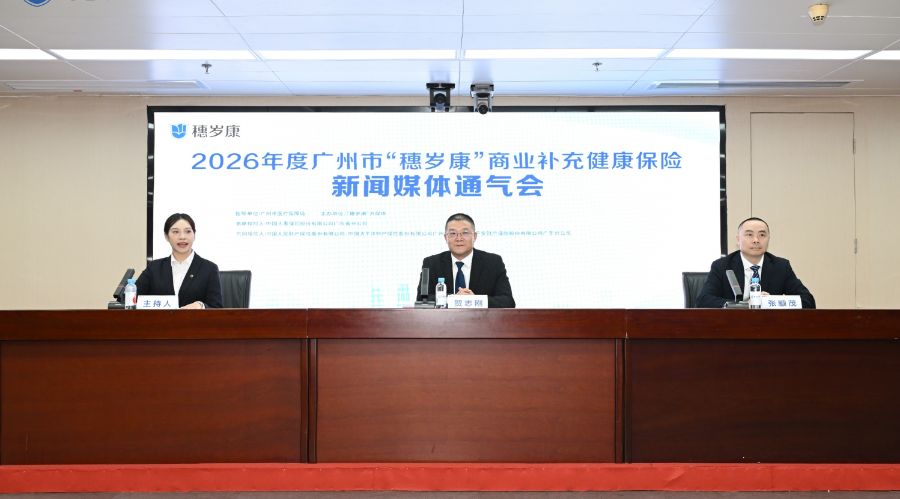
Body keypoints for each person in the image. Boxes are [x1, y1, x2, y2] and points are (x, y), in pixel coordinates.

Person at [697, 217, 815, 308]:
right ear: (738, 239)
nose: (756, 240)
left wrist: (771, 301)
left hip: (769, 326)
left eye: (762, 235)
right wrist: (743, 305)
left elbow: (808, 301)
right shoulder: (722, 266)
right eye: (749, 235)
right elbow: (704, 300)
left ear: (768, 239)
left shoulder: (780, 266)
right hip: (733, 325)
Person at [419, 213, 515, 308]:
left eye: (465, 233)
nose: (459, 238)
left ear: (475, 236)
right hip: (444, 318)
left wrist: (475, 300)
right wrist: (454, 299)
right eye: (453, 233)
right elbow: (422, 299)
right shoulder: (431, 263)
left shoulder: (493, 263)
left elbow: (508, 301)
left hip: (481, 318)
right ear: (445, 238)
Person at [136, 213, 223, 309]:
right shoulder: (154, 268)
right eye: (175, 232)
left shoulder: (209, 269)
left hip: (194, 319)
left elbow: (216, 307)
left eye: (188, 231)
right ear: (166, 236)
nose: (182, 237)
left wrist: (201, 306)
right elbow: (132, 298)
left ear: (194, 235)